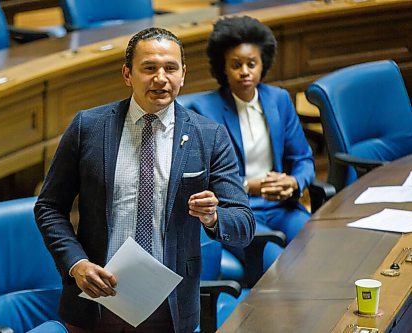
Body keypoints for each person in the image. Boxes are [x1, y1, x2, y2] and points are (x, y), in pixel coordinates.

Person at [34, 27, 255, 333]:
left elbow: (243, 224)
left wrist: (214, 217)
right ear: (128, 74)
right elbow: (48, 207)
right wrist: (76, 264)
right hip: (96, 298)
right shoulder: (89, 127)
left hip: (169, 306)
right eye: (149, 68)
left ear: (183, 74)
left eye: (170, 68)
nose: (161, 78)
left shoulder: (210, 136)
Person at [186, 16, 315, 245]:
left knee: (315, 248)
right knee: (277, 264)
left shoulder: (279, 99)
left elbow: (303, 158)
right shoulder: (204, 110)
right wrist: (247, 185)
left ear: (262, 63)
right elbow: (202, 179)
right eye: (236, 65)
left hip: (282, 207)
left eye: (251, 64)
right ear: (223, 68)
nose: (245, 71)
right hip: (237, 213)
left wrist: (293, 182)